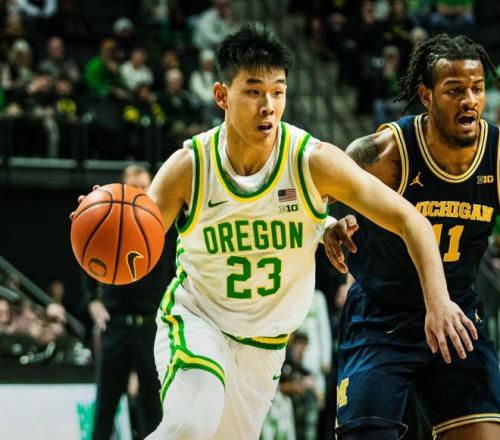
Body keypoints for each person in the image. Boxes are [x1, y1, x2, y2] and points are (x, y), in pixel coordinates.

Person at [123, 25, 477, 439]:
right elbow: (133, 254)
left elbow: (409, 219)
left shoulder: (312, 161)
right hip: (198, 321)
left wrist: (438, 300)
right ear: (222, 95)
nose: (268, 106)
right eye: (253, 91)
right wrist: (109, 226)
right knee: (191, 424)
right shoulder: (189, 167)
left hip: (265, 347)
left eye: (278, 92)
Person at [325, 34, 500, 440]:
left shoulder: (496, 155)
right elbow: (308, 189)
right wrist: (326, 226)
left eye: (477, 89)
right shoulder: (386, 152)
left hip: (456, 312)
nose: (469, 101)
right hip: (382, 316)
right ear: (426, 95)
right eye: (454, 90)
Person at [83, 164, 168, 440]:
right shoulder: (110, 221)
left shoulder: (163, 221)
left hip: (151, 326)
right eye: (134, 186)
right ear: (123, 190)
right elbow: (85, 253)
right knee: (104, 411)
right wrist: (92, 300)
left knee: (153, 413)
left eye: (145, 186)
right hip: (116, 324)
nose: (140, 191)